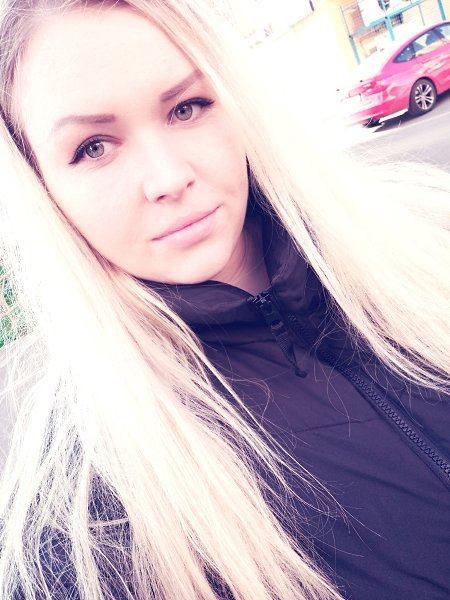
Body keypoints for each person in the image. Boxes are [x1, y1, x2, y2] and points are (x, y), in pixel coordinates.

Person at [0, 0, 449, 599]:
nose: (168, 178)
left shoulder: (428, 240)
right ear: (43, 188)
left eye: (187, 107)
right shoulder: (83, 526)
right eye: (93, 147)